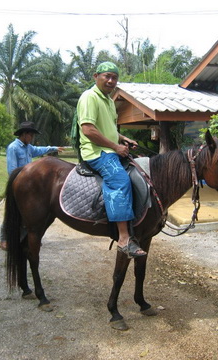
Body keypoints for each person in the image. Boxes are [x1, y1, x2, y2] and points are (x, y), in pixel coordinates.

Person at [76, 61, 147, 258]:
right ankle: (124, 239)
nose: (110, 80)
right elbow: (88, 130)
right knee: (120, 180)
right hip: (96, 152)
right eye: (106, 76)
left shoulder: (108, 100)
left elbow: (109, 129)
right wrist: (115, 147)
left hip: (109, 149)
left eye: (114, 77)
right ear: (96, 77)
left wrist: (123, 139)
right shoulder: (90, 97)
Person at [0, 121, 64, 250]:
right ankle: (4, 239)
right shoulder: (13, 148)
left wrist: (54, 148)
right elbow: (12, 170)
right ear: (24, 134)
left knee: (28, 213)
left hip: (27, 186)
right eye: (31, 135)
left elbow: (39, 150)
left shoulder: (28, 147)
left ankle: (28, 238)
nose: (32, 138)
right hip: (17, 185)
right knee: (12, 212)